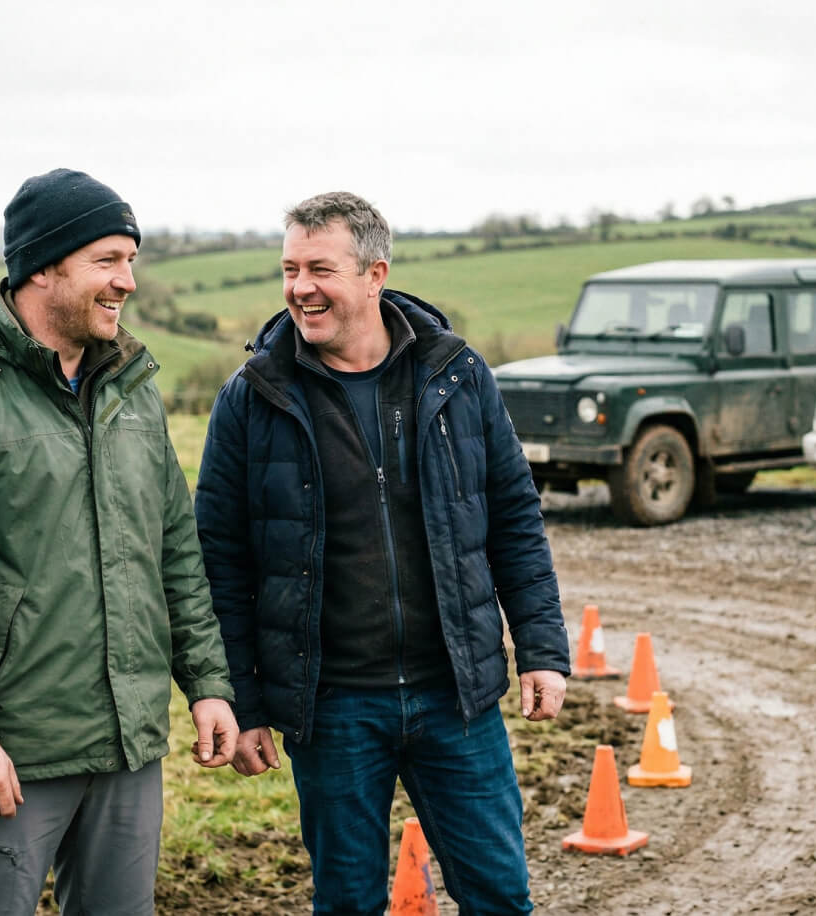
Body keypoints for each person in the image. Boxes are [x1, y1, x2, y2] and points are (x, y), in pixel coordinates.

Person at [0, 168, 238, 915]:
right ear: (43, 264)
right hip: (7, 754)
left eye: (131, 261)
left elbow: (173, 549)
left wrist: (206, 682)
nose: (128, 282)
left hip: (127, 748)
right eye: (108, 260)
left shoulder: (130, 387)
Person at [194, 191, 571, 913]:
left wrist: (544, 649)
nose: (300, 288)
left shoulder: (456, 376)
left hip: (456, 697)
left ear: (374, 274)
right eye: (289, 268)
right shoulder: (252, 397)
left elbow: (514, 519)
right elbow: (221, 559)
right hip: (333, 707)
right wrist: (242, 700)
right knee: (347, 905)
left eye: (320, 269)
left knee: (499, 896)